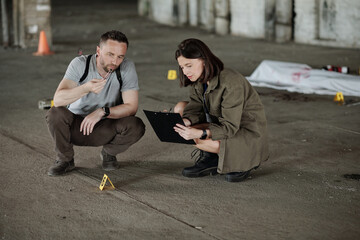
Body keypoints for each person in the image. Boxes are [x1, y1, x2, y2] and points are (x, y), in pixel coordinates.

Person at [46, 30, 145, 176]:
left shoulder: (126, 67)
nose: (115, 62)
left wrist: (103, 111)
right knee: (55, 113)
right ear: (98, 50)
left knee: (136, 125)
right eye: (110, 54)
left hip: (106, 125)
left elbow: (132, 107)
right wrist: (86, 88)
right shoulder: (80, 64)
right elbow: (59, 99)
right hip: (76, 126)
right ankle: (65, 160)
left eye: (120, 57)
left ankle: (108, 153)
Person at [173, 38, 269, 182]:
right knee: (180, 109)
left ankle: (243, 159)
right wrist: (185, 121)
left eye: (189, 65)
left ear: (204, 60)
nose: (185, 71)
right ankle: (211, 158)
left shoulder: (231, 82)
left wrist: (201, 133)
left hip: (244, 132)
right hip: (222, 124)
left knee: (195, 138)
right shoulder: (199, 79)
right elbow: (195, 107)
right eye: (182, 67)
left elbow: (230, 127)